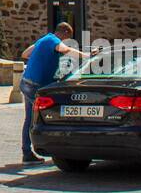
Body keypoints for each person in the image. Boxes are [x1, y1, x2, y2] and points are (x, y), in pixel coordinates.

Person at [18, 22, 90, 164]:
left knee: (30, 118)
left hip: (26, 82)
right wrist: (85, 55)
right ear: (64, 33)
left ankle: (27, 152)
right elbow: (64, 49)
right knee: (49, 115)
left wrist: (41, 62)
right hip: (35, 86)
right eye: (67, 37)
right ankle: (50, 149)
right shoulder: (54, 41)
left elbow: (25, 54)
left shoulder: (44, 39)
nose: (65, 40)